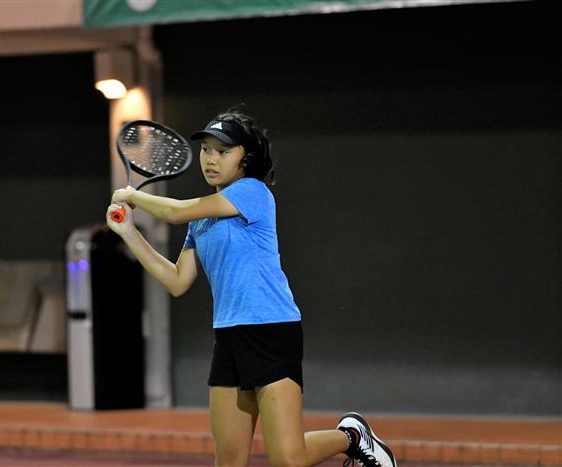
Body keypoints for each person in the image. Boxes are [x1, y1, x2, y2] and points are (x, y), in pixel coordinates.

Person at [106, 109, 396, 467]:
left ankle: (352, 437)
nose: (211, 159)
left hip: (271, 332)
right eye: (206, 150)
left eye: (223, 151)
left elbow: (175, 211)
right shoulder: (201, 220)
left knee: (289, 459)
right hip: (228, 338)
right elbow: (177, 281)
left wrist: (131, 196)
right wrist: (129, 233)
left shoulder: (253, 192)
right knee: (229, 461)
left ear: (246, 158)